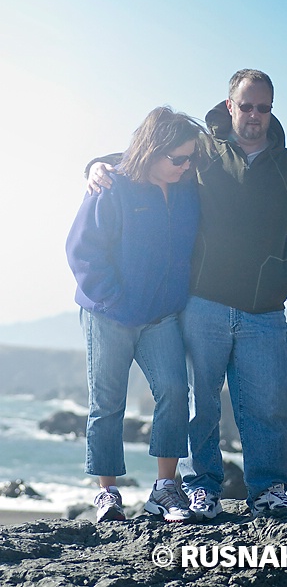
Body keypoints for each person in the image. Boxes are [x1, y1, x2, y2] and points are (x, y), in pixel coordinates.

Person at [87, 70, 287, 519]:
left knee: (270, 404)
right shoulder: (201, 153)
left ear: (271, 110)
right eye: (247, 105)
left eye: (264, 107)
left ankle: (268, 490)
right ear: (230, 104)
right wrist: (95, 167)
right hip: (201, 304)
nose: (255, 115)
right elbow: (147, 156)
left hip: (264, 311)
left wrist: (282, 281)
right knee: (202, 403)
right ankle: (203, 487)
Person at [67, 106, 203, 523]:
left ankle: (165, 488)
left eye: (190, 157)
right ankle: (107, 493)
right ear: (154, 151)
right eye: (178, 158)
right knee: (107, 403)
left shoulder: (187, 187)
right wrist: (112, 300)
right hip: (109, 314)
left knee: (175, 393)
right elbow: (82, 249)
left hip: (161, 316)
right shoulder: (113, 186)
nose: (186, 165)